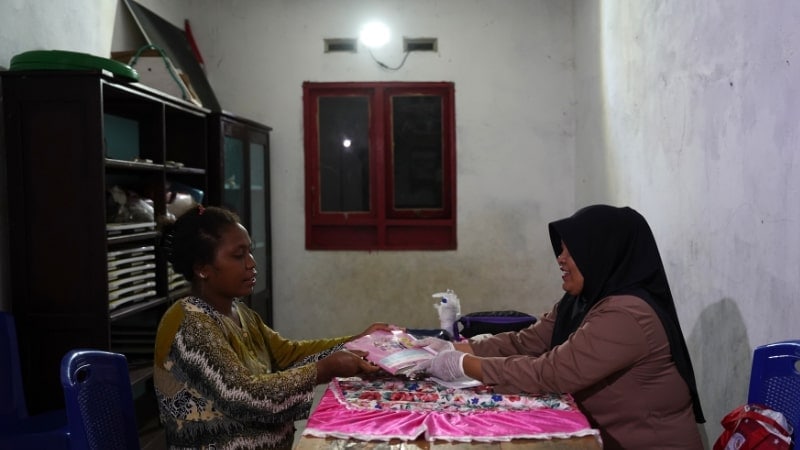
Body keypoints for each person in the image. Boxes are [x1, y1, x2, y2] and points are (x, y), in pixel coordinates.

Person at [412, 205, 705, 449]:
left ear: (600, 253)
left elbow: (552, 372)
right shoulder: (582, 301)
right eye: (561, 249)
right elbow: (527, 341)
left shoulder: (627, 315)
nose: (560, 259)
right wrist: (450, 348)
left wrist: (464, 365)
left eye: (571, 251)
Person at [154, 205, 390, 449]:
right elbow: (243, 396)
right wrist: (323, 370)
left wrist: (358, 341)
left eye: (250, 252)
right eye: (238, 255)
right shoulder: (189, 322)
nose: (251, 263)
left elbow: (288, 356)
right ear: (202, 268)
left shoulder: (240, 312)